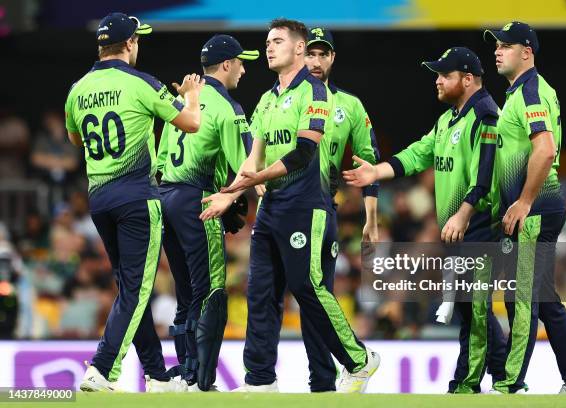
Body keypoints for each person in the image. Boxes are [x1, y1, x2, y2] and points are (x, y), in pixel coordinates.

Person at [201, 18, 379, 393]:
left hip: (306, 205)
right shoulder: (267, 99)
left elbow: (302, 153)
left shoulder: (316, 93)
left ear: (299, 49)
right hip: (271, 209)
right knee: (260, 294)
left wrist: (252, 182)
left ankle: (360, 359)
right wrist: (231, 193)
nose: (268, 47)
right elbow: (253, 160)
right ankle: (260, 380)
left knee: (308, 286)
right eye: (268, 42)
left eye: (277, 41)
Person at [343, 47, 506, 393]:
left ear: (467, 79)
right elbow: (419, 153)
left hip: (478, 224)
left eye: (444, 75)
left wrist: (464, 213)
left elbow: (486, 175)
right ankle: (507, 375)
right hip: (457, 230)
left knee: (473, 308)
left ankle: (466, 384)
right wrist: (378, 170)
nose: (437, 80)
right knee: (467, 307)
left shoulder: (485, 115)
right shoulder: (449, 120)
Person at [64, 12, 203, 392]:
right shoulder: (142, 83)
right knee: (139, 288)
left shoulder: (78, 88)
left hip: (99, 198)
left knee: (130, 287)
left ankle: (157, 375)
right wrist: (192, 95)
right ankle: (102, 367)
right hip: (137, 196)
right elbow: (191, 123)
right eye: (137, 40)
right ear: (129, 44)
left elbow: (76, 139)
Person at [483, 21, 566, 394]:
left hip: (535, 207)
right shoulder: (520, 93)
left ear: (526, 51)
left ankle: (510, 382)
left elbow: (544, 149)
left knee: (521, 295)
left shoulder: (530, 91)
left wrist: (524, 202)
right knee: (542, 296)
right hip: (537, 206)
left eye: (506, 46)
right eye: (496, 46)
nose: (497, 51)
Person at [156, 33, 258, 391]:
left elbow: (160, 160)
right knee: (212, 290)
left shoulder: (183, 101)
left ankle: (184, 371)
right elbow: (248, 167)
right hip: (198, 200)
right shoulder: (229, 108)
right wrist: (236, 195)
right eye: (242, 63)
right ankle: (202, 380)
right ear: (227, 64)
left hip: (165, 197)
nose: (244, 70)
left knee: (186, 292)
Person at [301, 26, 380, 392]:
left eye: (323, 54)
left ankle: (327, 378)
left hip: (322, 208)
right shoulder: (280, 99)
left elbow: (369, 163)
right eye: (311, 54)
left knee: (317, 294)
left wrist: (371, 218)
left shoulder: (349, 105)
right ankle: (320, 377)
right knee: (304, 294)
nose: (316, 62)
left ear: (332, 58)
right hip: (282, 209)